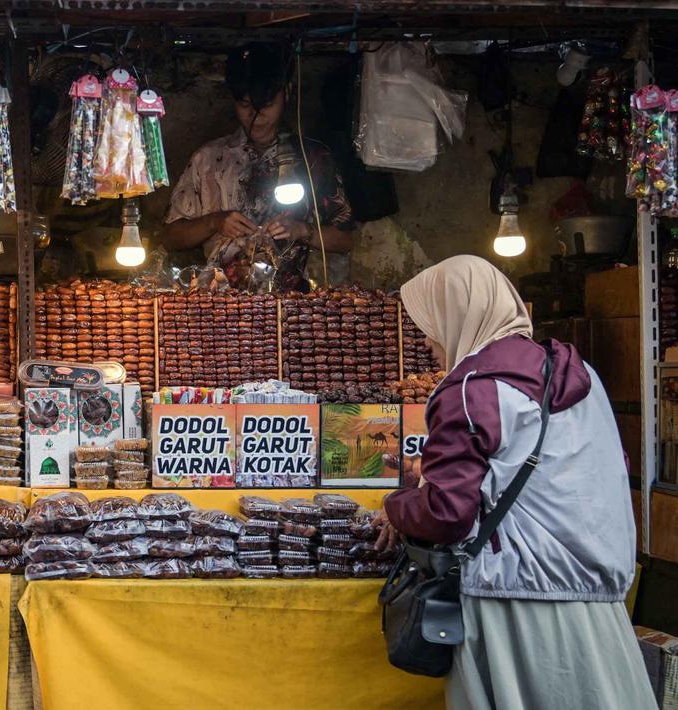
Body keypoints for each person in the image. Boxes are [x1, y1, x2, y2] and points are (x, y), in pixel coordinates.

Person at [377, 255, 654, 710]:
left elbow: (448, 515)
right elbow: (597, 468)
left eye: (428, 323)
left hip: (516, 600)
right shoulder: (582, 378)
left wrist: (398, 503)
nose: (427, 341)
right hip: (595, 593)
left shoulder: (470, 389)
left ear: (458, 313)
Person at [161, 43, 357, 292]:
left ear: (287, 93)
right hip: (222, 306)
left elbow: (345, 240)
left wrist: (301, 229)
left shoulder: (313, 159)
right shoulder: (208, 158)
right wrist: (214, 222)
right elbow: (170, 238)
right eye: (245, 105)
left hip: (295, 306)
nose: (255, 116)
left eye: (265, 105)